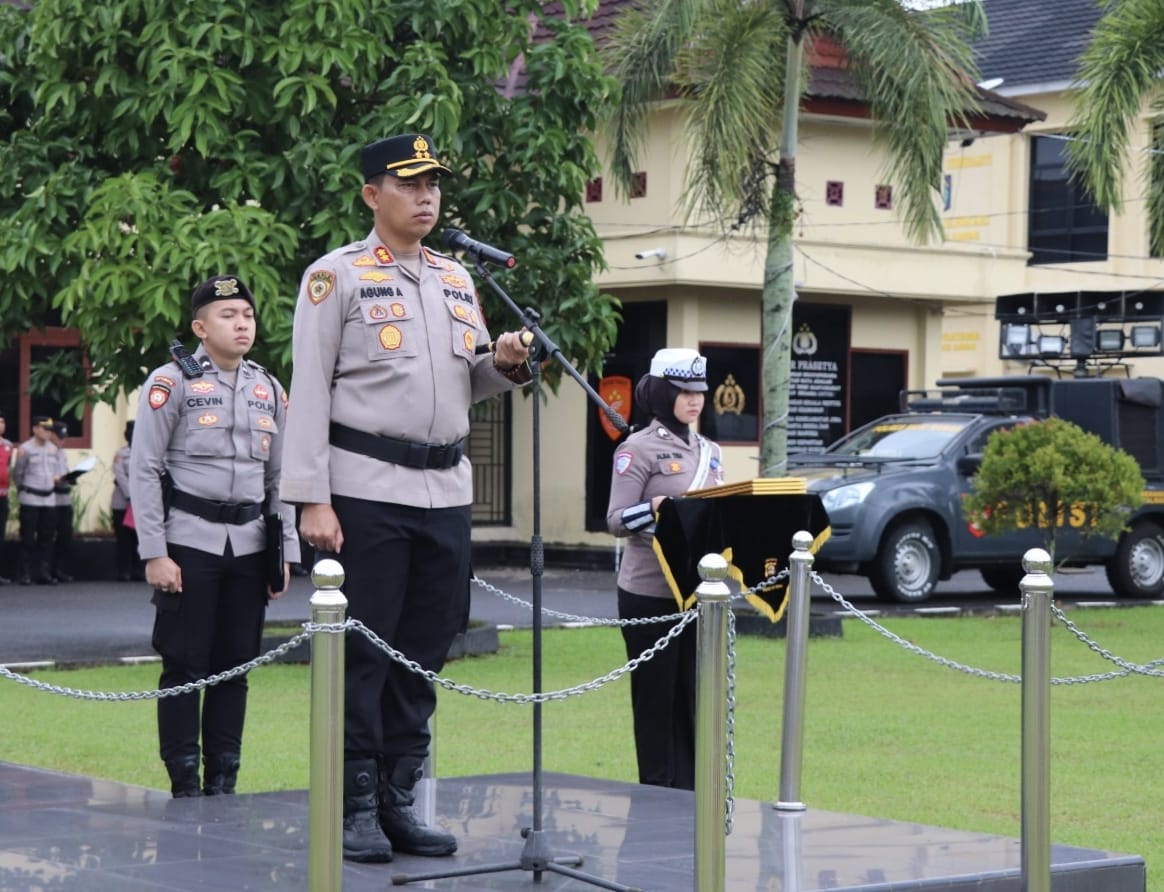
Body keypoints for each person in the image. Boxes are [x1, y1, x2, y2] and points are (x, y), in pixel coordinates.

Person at [280, 132, 532, 863]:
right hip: (364, 489)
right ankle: (353, 805)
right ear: (372, 195)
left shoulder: (457, 278)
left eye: (434, 186)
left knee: (423, 651)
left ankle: (398, 801)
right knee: (365, 649)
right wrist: (311, 499)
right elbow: (309, 393)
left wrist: (505, 365)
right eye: (409, 184)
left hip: (446, 491)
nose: (426, 197)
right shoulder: (337, 277)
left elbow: (468, 380)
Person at [130, 274, 300, 798]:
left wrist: (285, 550)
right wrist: (154, 552)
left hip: (250, 545)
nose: (242, 323)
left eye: (247, 315)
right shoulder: (170, 382)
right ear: (200, 327)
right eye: (229, 316)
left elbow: (280, 477)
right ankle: (184, 780)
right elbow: (143, 469)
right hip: (190, 543)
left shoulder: (268, 387)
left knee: (237, 666)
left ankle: (223, 778)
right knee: (185, 664)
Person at [605, 347, 725, 791]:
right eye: (683, 391)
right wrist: (655, 508)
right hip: (649, 591)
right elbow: (616, 519)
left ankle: (693, 794)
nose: (695, 400)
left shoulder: (710, 451)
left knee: (693, 698)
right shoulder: (636, 449)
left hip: (697, 593)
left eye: (700, 391)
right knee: (655, 700)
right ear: (661, 391)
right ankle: (656, 790)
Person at [13, 416, 63, 585]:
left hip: (49, 499)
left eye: (50, 429)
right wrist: (23, 489)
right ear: (35, 429)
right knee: (27, 538)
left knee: (47, 537)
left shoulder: (53, 449)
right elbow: (18, 474)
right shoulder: (25, 449)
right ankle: (25, 573)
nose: (48, 432)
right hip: (30, 498)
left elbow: (56, 471)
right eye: (44, 428)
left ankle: (43, 572)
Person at [111, 421, 141, 581]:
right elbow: (120, 475)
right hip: (122, 502)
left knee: (138, 539)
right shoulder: (120, 454)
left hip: (141, 503)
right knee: (123, 539)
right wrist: (131, 494)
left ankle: (137, 570)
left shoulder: (146, 452)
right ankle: (123, 570)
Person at [49, 421, 75, 583]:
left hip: (65, 499)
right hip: (51, 499)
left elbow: (64, 472)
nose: (62, 441)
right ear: (51, 434)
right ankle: (47, 570)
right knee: (49, 536)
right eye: (59, 437)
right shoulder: (46, 451)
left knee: (65, 535)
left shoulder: (62, 453)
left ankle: (58, 569)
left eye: (64, 438)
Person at [0, 410, 15, 585]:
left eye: (3, 422)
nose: (1, 425)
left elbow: (8, 468)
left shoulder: (9, 446)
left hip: (2, 496)